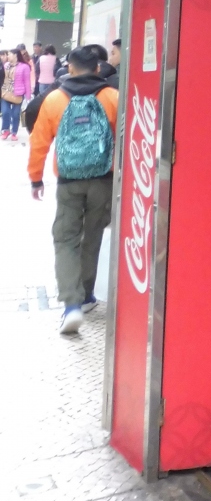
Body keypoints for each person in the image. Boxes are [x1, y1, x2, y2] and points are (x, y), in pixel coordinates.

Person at [28, 44, 119, 335]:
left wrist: (36, 178)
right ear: (97, 68)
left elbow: (39, 142)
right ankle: (87, 295)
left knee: (66, 239)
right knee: (92, 236)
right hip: (103, 179)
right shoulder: (113, 97)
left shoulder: (55, 99)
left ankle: (71, 305)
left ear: (69, 68)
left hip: (69, 181)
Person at [2, 48, 32, 140]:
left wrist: (28, 97)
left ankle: (14, 132)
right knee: (5, 112)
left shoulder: (24, 67)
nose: (8, 56)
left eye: (9, 54)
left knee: (15, 114)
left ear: (15, 55)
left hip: (18, 94)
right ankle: (5, 130)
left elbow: (27, 82)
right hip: (5, 92)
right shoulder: (6, 65)